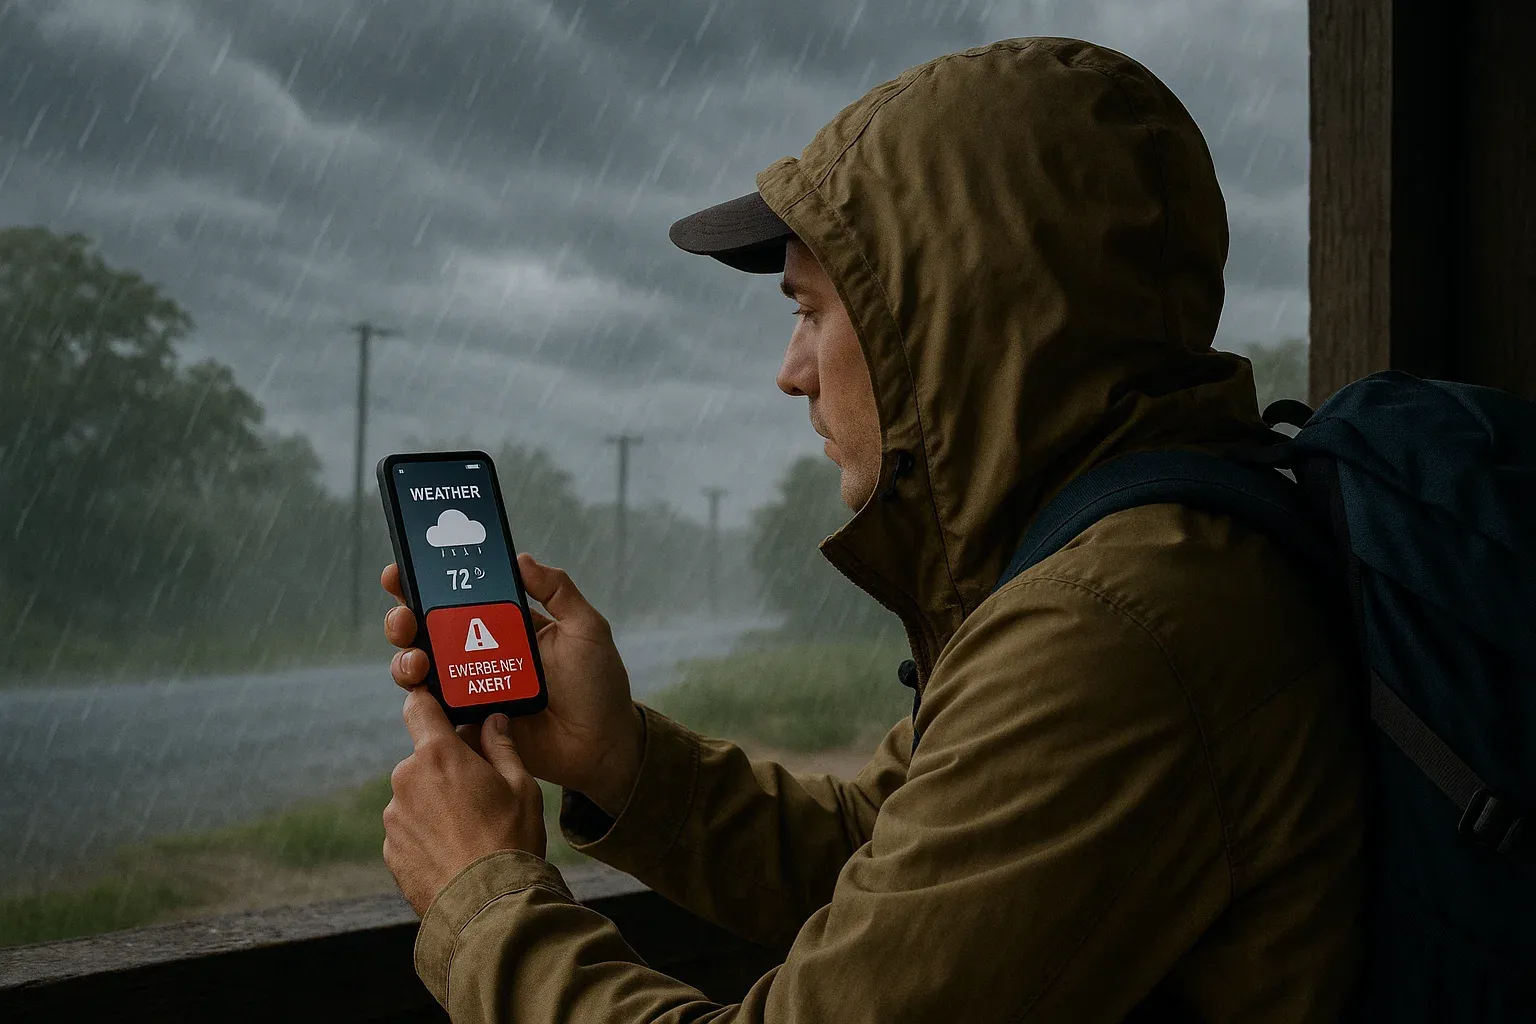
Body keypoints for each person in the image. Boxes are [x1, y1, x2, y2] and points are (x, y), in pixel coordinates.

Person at [378, 37, 1366, 1023]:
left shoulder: (1114, 631)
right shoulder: (1140, 556)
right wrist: (617, 758)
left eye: (810, 309)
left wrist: (484, 900)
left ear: (946, 319)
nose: (790, 369)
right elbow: (898, 849)